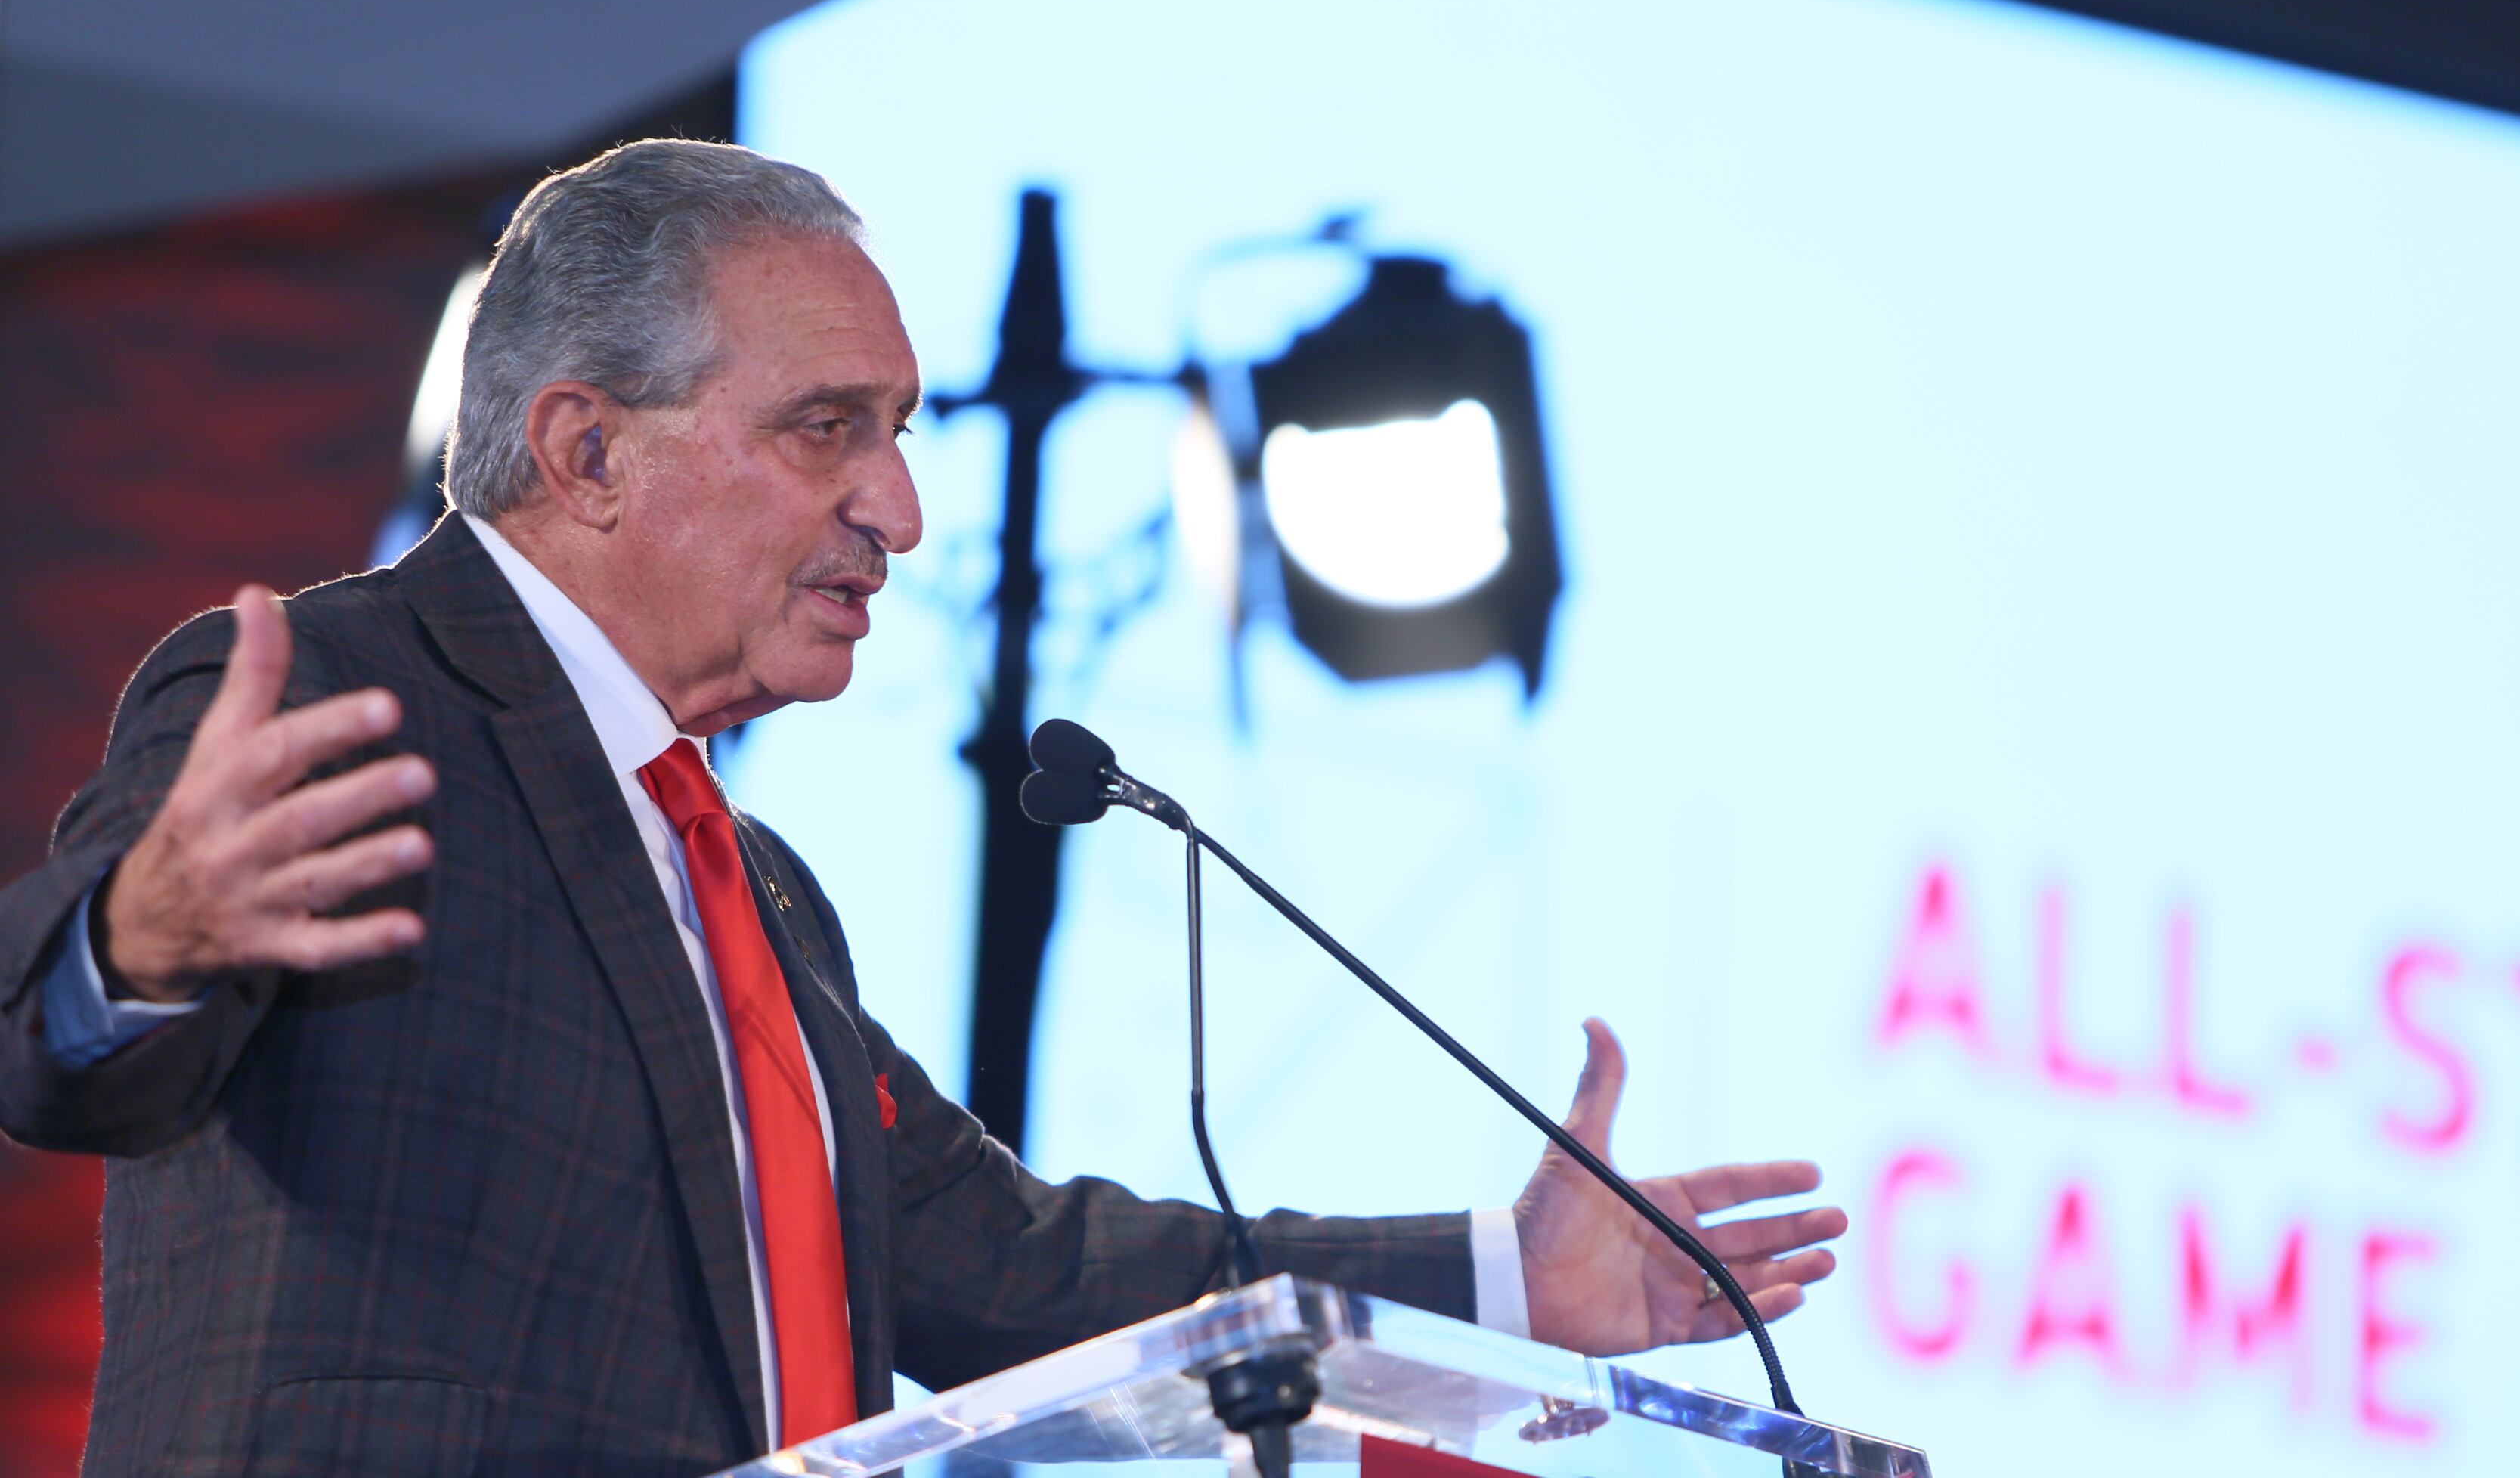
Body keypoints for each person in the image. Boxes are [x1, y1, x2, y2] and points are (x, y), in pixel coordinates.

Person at [0, 141, 1843, 1477]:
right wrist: (137, 940)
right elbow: (65, 1052)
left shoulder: (758, 891)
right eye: (827, 428)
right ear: (587, 451)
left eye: (905, 431)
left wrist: (1504, 1273)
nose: (900, 507)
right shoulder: (354, 690)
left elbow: (1015, 1275)